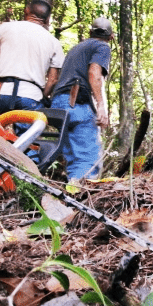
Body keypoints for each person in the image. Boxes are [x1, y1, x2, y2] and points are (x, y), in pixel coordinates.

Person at [50, 17, 113, 182]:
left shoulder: (76, 49)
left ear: (90, 32)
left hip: (59, 105)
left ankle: (72, 195)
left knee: (73, 161)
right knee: (87, 160)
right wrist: (101, 106)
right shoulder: (102, 46)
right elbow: (94, 73)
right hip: (76, 103)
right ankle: (82, 202)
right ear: (111, 37)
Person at [0, 0, 65, 118]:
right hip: (31, 96)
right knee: (26, 136)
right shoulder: (54, 42)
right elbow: (52, 80)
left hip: (1, 90)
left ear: (26, 11)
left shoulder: (5, 28)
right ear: (46, 20)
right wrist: (42, 96)